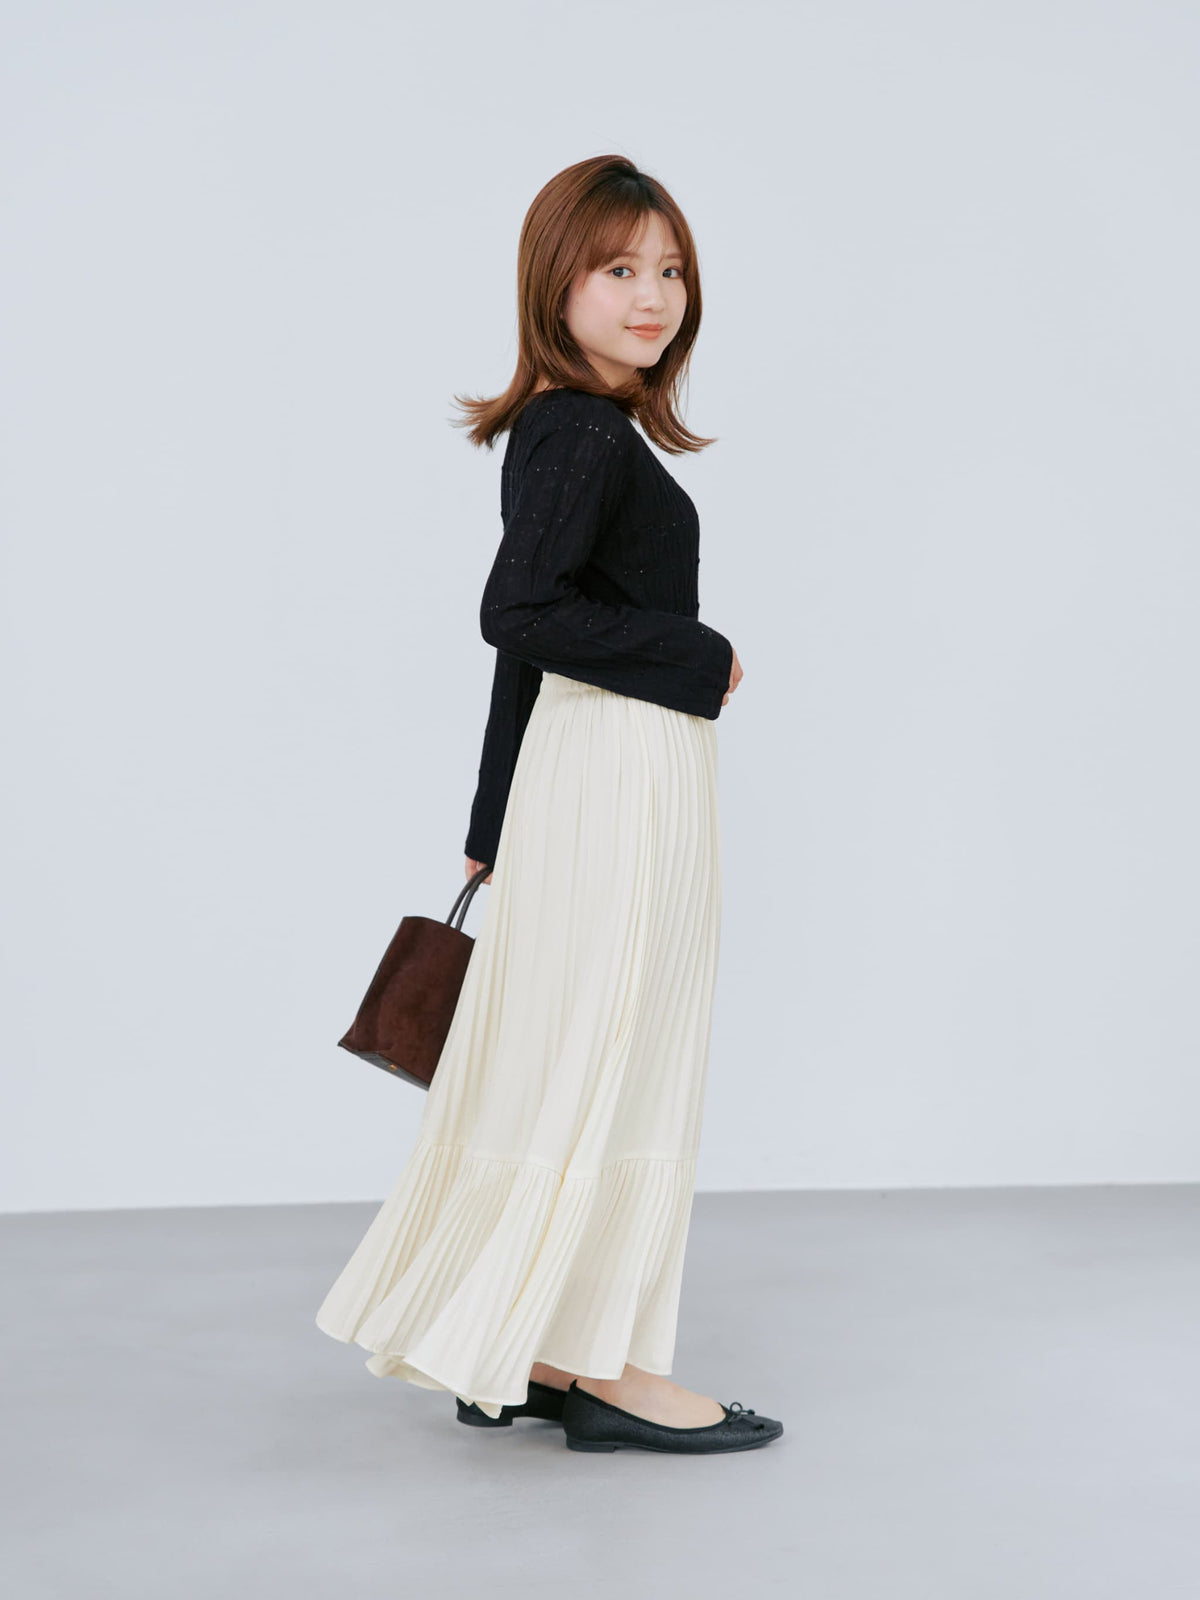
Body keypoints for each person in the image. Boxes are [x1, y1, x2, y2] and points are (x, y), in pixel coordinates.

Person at [316, 154, 784, 1455]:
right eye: (619, 267)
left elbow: (529, 640)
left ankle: (523, 1345)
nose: (653, 297)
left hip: (583, 771)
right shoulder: (577, 430)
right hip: (621, 770)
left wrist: (490, 819)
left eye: (671, 269)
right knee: (619, 1054)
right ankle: (607, 1369)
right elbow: (517, 615)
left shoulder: (572, 429)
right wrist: (700, 654)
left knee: (575, 1050)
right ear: (555, 283)